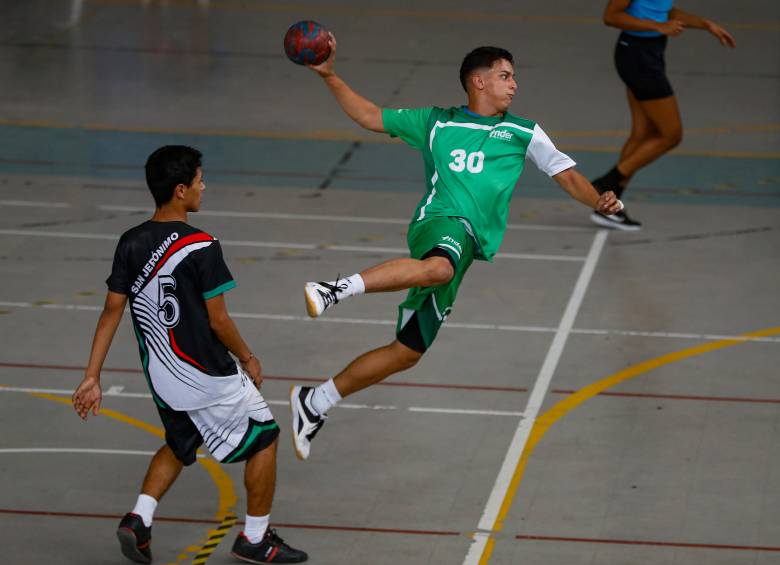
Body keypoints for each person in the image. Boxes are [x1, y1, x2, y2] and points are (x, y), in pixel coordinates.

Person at [288, 38, 624, 461]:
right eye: (505, 76)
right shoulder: (436, 123)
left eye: (514, 77)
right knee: (439, 269)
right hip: (440, 224)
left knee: (407, 352)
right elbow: (371, 116)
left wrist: (598, 200)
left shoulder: (523, 132)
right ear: (478, 81)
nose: (514, 85)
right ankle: (334, 290)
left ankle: (314, 402)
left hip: (466, 247)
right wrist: (330, 75)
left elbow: (566, 174)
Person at [72, 146, 307, 564]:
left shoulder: (130, 242)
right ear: (180, 190)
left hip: (163, 377)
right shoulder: (202, 245)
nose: (204, 186)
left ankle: (139, 519)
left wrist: (92, 375)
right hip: (208, 374)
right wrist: (248, 357)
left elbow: (112, 311)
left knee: (182, 440)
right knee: (266, 439)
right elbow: (218, 321)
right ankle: (255, 539)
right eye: (199, 180)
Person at [589, 0, 736, 230]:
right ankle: (605, 184)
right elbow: (611, 16)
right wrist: (657, 27)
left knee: (642, 134)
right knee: (671, 135)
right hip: (638, 56)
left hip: (650, 53)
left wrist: (705, 24)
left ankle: (609, 204)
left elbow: (664, 11)